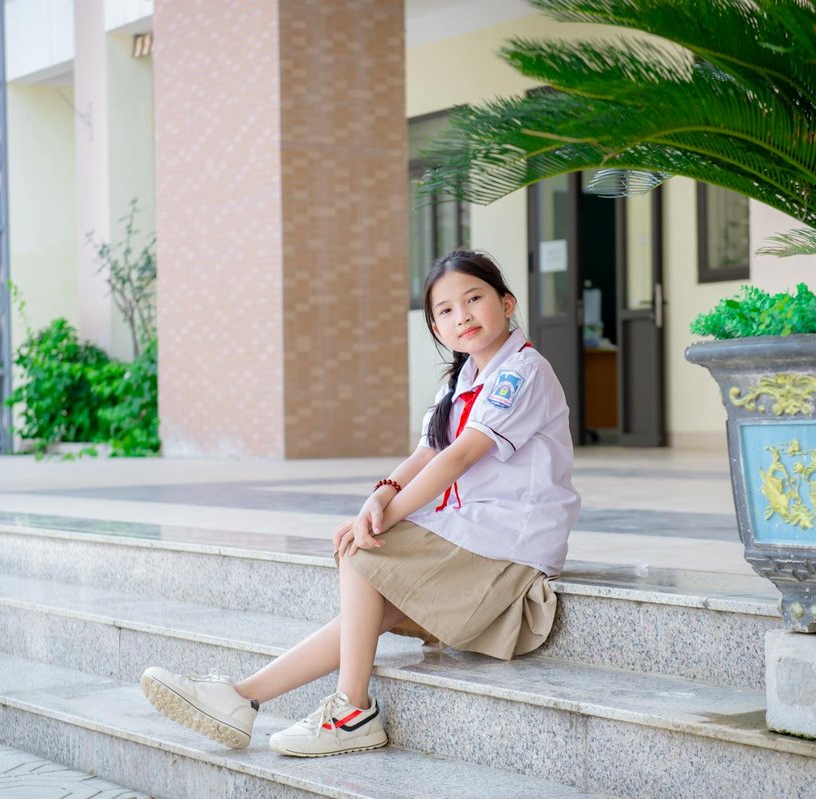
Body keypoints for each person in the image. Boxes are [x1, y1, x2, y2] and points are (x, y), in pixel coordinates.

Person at [141, 249, 581, 758]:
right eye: (445, 310)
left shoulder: (521, 371)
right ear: (436, 329)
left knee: (364, 553)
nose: (461, 315)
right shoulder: (462, 382)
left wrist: (380, 521)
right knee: (368, 598)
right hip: (475, 539)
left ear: (507, 304)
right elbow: (426, 453)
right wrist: (379, 496)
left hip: (508, 552)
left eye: (474, 299)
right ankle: (241, 698)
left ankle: (352, 710)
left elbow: (459, 458)